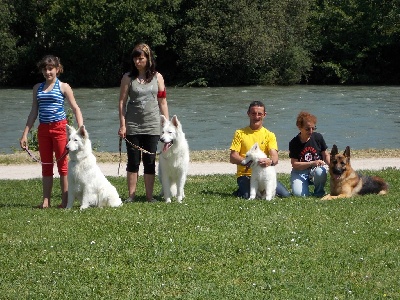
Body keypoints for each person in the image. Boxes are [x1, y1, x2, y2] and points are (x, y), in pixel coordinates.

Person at [20, 55, 84, 208]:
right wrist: (25, 134)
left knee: (63, 165)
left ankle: (65, 201)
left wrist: (81, 128)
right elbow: (33, 111)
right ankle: (46, 201)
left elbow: (75, 108)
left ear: (57, 69)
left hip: (60, 128)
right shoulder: (37, 88)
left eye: (51, 69)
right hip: (43, 129)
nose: (48, 72)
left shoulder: (63, 87)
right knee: (46, 165)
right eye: (45, 69)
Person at [118, 43, 169, 203]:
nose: (137, 62)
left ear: (148, 59)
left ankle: (149, 196)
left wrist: (166, 126)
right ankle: (131, 196)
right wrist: (122, 124)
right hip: (133, 125)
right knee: (133, 161)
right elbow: (122, 102)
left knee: (149, 161)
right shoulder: (128, 78)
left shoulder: (157, 77)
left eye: (141, 58)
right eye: (135, 59)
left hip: (153, 125)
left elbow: (162, 101)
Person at [229, 101, 291, 199]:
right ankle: (242, 190)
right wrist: (245, 162)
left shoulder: (270, 135)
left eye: (259, 114)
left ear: (264, 115)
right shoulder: (240, 133)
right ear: (248, 114)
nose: (256, 117)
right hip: (245, 174)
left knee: (285, 195)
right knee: (247, 196)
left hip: (265, 175)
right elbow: (232, 157)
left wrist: (269, 161)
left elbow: (275, 157)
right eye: (253, 113)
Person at [289, 111, 330, 197]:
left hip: (315, 169)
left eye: (313, 128)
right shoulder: (294, 142)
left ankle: (319, 193)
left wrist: (332, 166)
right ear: (299, 127)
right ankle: (303, 189)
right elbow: (295, 164)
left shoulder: (318, 137)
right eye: (307, 129)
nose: (311, 131)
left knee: (320, 171)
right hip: (300, 172)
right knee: (300, 195)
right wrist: (312, 163)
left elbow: (325, 155)